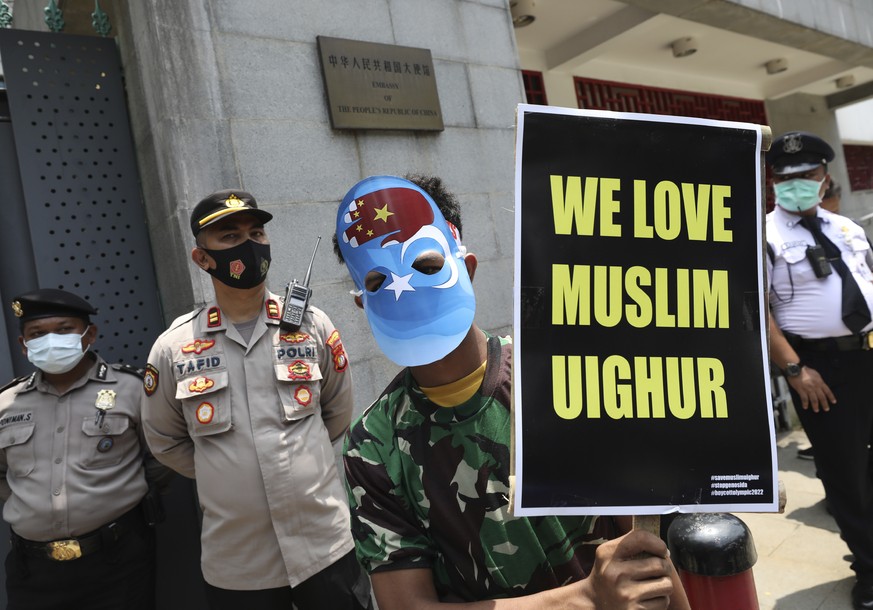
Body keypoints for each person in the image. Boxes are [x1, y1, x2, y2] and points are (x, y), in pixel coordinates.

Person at [334, 174, 690, 609]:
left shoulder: (568, 371)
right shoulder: (372, 445)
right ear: (361, 304)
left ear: (467, 268)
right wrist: (588, 597)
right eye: (376, 283)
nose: (404, 289)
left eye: (426, 267)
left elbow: (649, 543)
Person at [141, 189, 372, 610]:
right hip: (240, 565)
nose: (249, 244)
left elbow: (337, 413)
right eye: (230, 237)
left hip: (325, 548)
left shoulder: (311, 326)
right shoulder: (174, 348)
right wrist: (223, 469)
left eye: (256, 232)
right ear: (201, 258)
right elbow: (165, 441)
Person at [0, 288, 167, 609]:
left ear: (89, 334)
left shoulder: (132, 389)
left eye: (64, 330)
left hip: (117, 561)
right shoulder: (6, 403)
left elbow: (162, 458)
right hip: (32, 570)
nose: (51, 340)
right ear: (24, 345)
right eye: (37, 334)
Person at [765, 131, 873, 610]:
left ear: (824, 176)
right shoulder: (761, 236)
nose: (796, 184)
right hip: (819, 369)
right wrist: (794, 369)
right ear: (772, 182)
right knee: (845, 472)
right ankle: (870, 572)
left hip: (869, 350)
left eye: (806, 175)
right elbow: (755, 311)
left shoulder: (847, 228)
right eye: (784, 177)